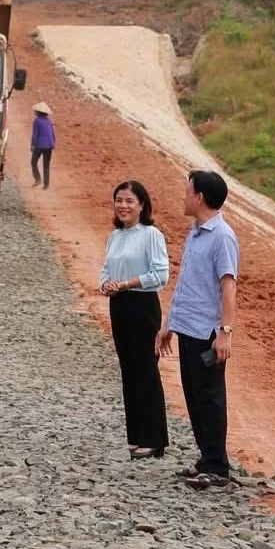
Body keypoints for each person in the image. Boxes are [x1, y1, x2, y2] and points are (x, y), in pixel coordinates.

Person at [156, 169, 240, 489]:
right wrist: (170, 325)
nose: (183, 196)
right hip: (188, 327)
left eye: (187, 191)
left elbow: (228, 287)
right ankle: (207, 458)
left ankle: (217, 467)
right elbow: (187, 284)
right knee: (194, 396)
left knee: (210, 398)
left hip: (207, 331)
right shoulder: (195, 233)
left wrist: (225, 332)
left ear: (199, 197)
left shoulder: (222, 237)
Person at [99, 180, 171, 458]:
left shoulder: (151, 235)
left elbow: (160, 275)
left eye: (129, 201)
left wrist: (127, 283)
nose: (123, 206)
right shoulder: (114, 236)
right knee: (128, 369)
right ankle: (136, 435)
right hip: (119, 305)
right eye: (119, 200)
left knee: (146, 369)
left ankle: (155, 439)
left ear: (142, 205)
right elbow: (106, 269)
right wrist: (105, 284)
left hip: (142, 304)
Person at [29, 103, 56, 189]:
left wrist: (33, 145)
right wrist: (53, 144)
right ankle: (46, 185)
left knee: (33, 162)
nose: (34, 112)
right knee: (46, 165)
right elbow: (53, 134)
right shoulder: (49, 121)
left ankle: (38, 179)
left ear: (38, 112)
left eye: (35, 111)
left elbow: (35, 134)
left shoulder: (37, 121)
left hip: (40, 145)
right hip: (49, 145)